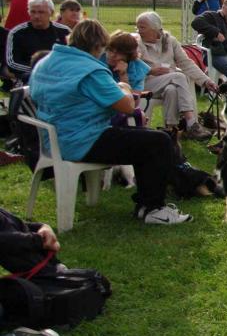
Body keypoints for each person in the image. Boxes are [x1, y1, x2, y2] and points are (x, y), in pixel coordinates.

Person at [30, 19, 188, 224]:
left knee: (145, 140)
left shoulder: (45, 62)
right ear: (97, 46)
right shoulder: (91, 70)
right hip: (80, 140)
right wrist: (123, 86)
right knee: (159, 142)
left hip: (51, 139)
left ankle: (147, 204)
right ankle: (152, 207)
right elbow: (127, 107)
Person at [135, 11, 216, 139]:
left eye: (142, 27)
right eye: (137, 27)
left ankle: (171, 131)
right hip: (146, 84)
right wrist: (150, 70)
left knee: (171, 89)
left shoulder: (170, 41)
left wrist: (206, 81)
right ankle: (191, 122)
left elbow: (186, 63)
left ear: (155, 28)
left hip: (170, 83)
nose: (139, 30)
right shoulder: (136, 43)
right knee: (178, 76)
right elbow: (133, 66)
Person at [5, 0, 69, 83]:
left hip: (60, 78)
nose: (36, 16)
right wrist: (41, 70)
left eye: (41, 12)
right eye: (33, 12)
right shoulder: (17, 33)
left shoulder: (64, 32)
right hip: (29, 79)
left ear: (51, 13)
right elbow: (12, 63)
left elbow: (72, 57)